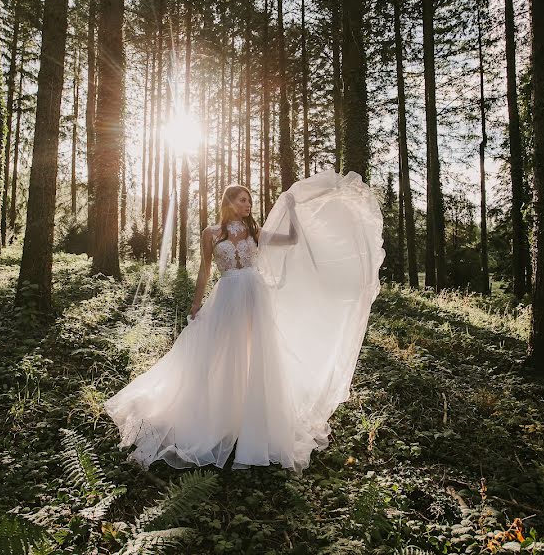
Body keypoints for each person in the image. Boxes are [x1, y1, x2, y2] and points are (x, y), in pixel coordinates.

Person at [103, 169, 385, 474]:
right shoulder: (211, 233)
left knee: (258, 354)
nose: (248, 204)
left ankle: (254, 423)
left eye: (250, 200)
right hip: (227, 295)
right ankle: (219, 416)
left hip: (255, 296)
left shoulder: (255, 232)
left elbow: (291, 239)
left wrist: (291, 208)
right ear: (229, 202)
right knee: (221, 353)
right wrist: (197, 302)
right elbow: (204, 270)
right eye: (243, 200)